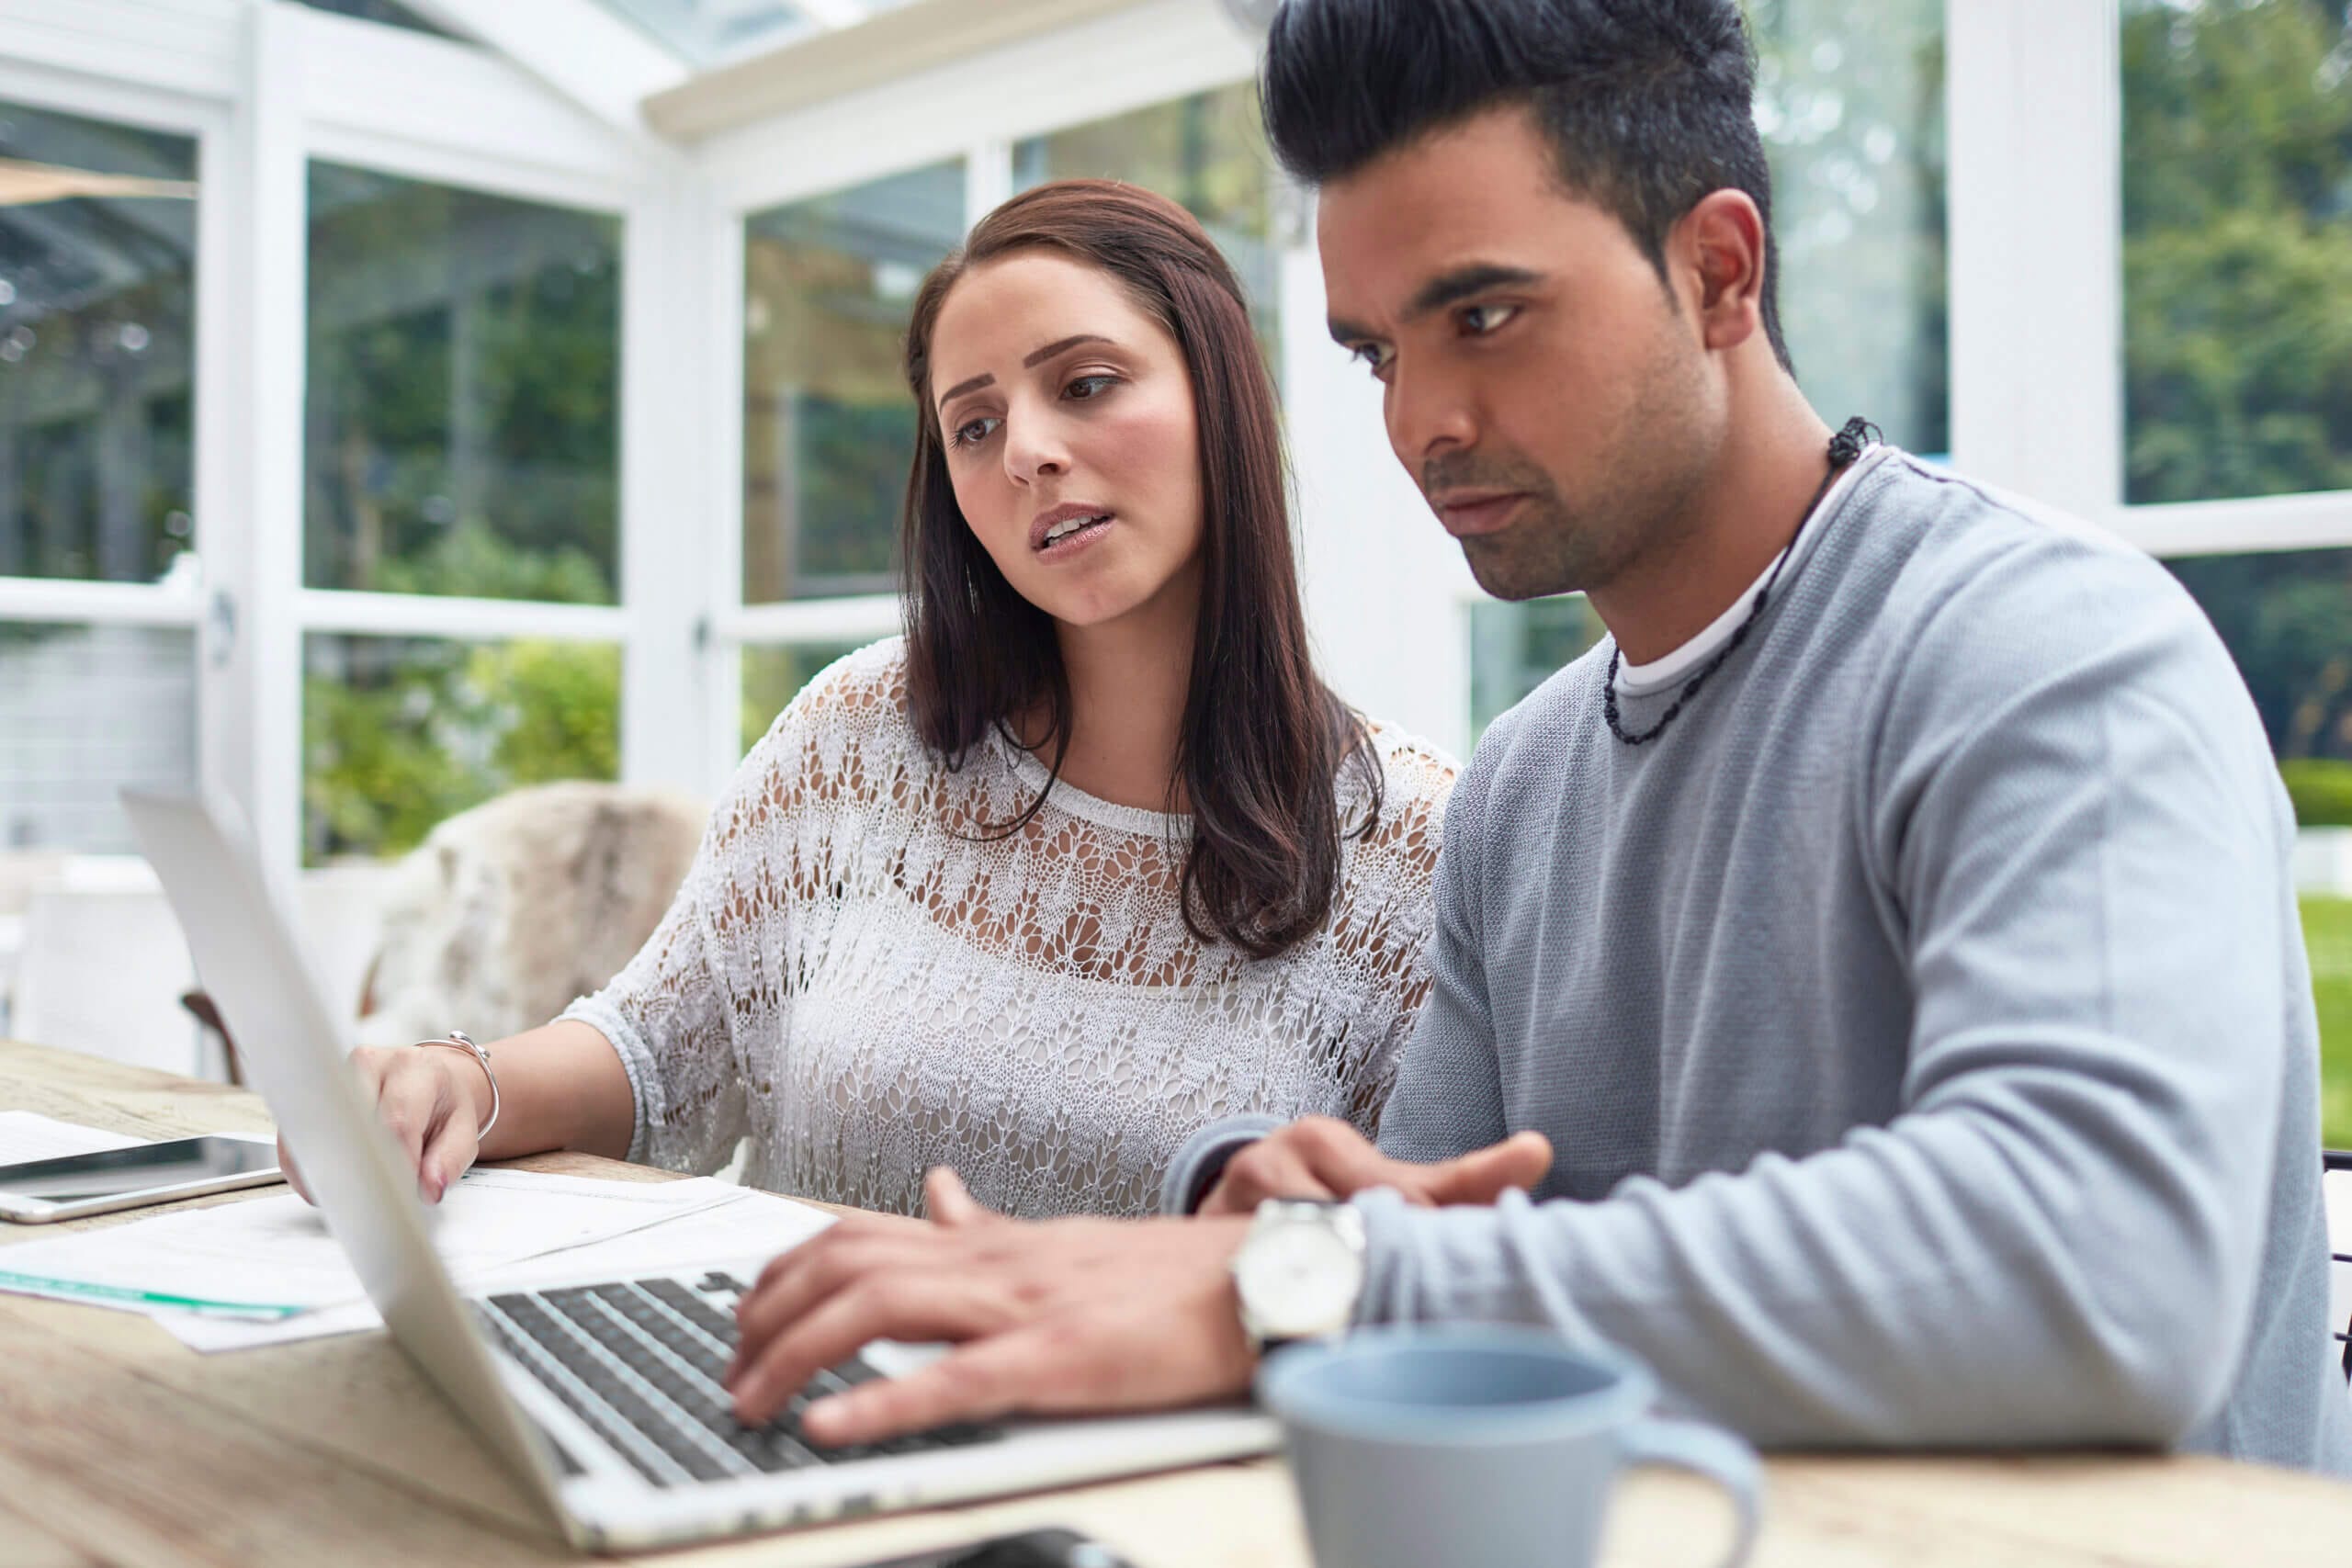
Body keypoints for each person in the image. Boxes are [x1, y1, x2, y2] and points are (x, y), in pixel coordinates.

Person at [718, 0, 2352, 1478]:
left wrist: (1310, 1280)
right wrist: (1274, 1202)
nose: (1421, 422)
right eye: (1377, 352)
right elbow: (1440, 1268)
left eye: (1483, 317)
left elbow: (2101, 1270)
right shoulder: (1528, 785)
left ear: (1721, 269)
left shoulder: (2043, 652)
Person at [286, 179, 1467, 1223]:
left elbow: (1400, 1258)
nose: (1027, 453)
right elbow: (657, 1054)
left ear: (1222, 392)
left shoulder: (1416, 843)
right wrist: (456, 1080)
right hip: (768, 1402)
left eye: (1088, 383)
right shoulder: (857, 736)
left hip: (1134, 1461)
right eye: (976, 423)